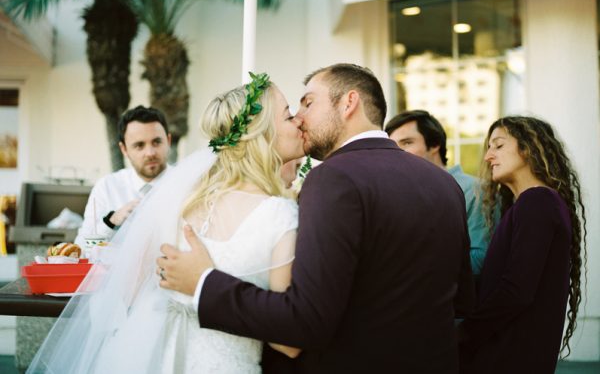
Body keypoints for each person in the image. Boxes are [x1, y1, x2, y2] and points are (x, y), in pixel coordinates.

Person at [158, 63, 475, 373]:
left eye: (308, 103)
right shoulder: (445, 184)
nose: (299, 116)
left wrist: (204, 284)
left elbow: (305, 321)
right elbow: (462, 300)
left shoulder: (333, 179)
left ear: (349, 103)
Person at [27, 73, 305, 373]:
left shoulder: (182, 199)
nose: (299, 121)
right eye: (289, 115)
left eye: (157, 142)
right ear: (261, 134)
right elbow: (288, 340)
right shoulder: (280, 215)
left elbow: (132, 288)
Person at [457, 116, 587, 374]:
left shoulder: (537, 202)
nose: (488, 157)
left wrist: (463, 334)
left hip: (510, 356)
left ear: (527, 148)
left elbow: (517, 289)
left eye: (499, 145)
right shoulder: (533, 204)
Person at [385, 110, 489, 276]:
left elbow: (480, 260)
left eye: (406, 143)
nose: (397, 152)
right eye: (393, 146)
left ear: (434, 144)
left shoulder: (473, 189)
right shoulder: (398, 195)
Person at [74, 105, 171, 246]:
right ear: (124, 149)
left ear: (168, 141)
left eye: (157, 142)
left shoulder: (191, 185)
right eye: (139, 145)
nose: (150, 152)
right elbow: (82, 249)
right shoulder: (107, 188)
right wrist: (111, 222)